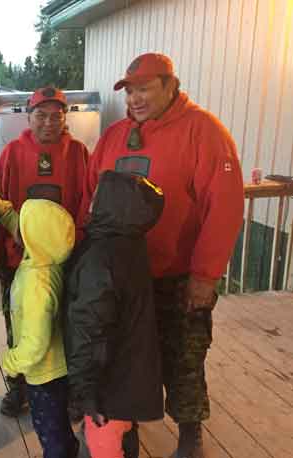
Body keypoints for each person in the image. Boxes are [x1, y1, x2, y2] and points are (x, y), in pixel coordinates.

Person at [77, 53, 244, 458]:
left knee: (184, 357)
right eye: (130, 90)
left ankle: (191, 436)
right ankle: (124, 428)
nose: (135, 98)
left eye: (145, 88)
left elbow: (224, 207)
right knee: (124, 358)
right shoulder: (115, 135)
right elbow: (90, 198)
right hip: (122, 277)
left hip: (178, 275)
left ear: (171, 86)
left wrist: (205, 275)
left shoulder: (204, 131)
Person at [0, 87, 89, 417]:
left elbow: (87, 203)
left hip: (67, 261)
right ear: (29, 117)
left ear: (65, 118)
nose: (49, 122)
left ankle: (71, 390)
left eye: (56, 116)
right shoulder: (13, 153)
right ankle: (18, 386)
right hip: (20, 261)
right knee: (17, 325)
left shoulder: (78, 152)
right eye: (41, 115)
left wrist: (78, 249)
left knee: (67, 325)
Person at [66, 171, 165, 458]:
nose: (91, 202)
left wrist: (86, 391)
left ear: (114, 205)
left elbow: (90, 329)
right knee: (125, 432)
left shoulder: (101, 259)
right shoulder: (129, 242)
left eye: (98, 196)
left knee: (104, 443)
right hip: (129, 377)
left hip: (108, 386)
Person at [0, 197, 80, 458]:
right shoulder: (48, 259)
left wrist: (11, 362)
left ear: (33, 237)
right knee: (58, 422)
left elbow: (35, 344)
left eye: (23, 227)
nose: (18, 231)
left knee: (48, 429)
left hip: (43, 374)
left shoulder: (37, 286)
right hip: (58, 367)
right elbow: (22, 227)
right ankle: (70, 449)